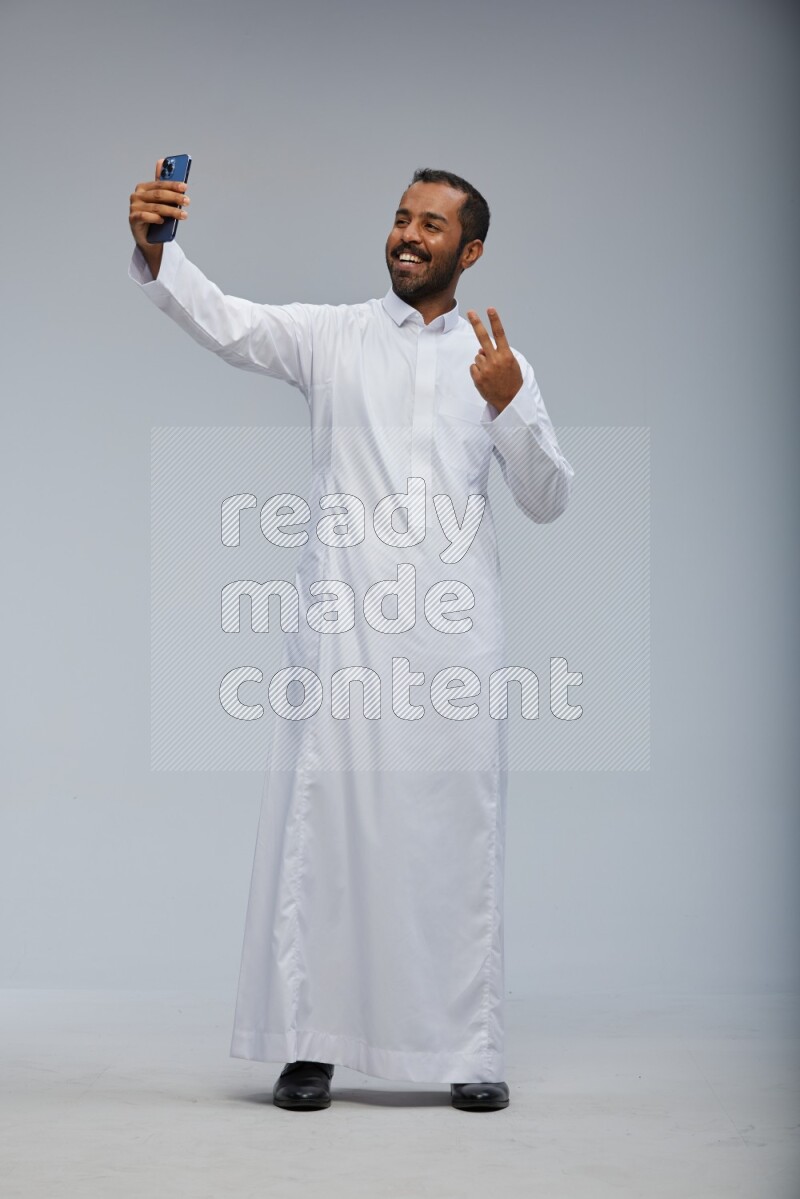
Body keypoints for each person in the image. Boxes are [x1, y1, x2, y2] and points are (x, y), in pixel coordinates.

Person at [128, 161, 574, 1112]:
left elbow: (546, 498)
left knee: (458, 837)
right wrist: (157, 249)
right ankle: (310, 1043)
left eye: (433, 225)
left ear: (473, 250)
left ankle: (469, 1045)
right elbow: (230, 321)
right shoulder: (333, 336)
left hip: (454, 649)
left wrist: (510, 404)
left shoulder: (500, 364)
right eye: (402, 218)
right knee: (324, 835)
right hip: (344, 637)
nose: (410, 235)